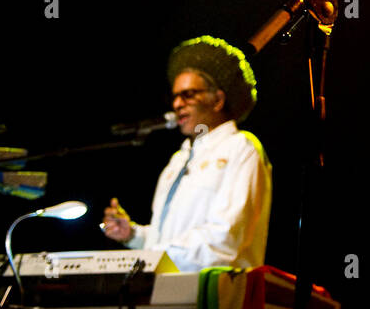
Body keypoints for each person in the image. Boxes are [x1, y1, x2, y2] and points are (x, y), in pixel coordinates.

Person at [103, 36, 271, 272]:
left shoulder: (241, 148)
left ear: (218, 100)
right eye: (175, 97)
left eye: (188, 94)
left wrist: (152, 260)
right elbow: (167, 237)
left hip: (215, 298)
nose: (178, 104)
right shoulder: (179, 159)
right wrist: (133, 235)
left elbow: (224, 237)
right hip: (167, 290)